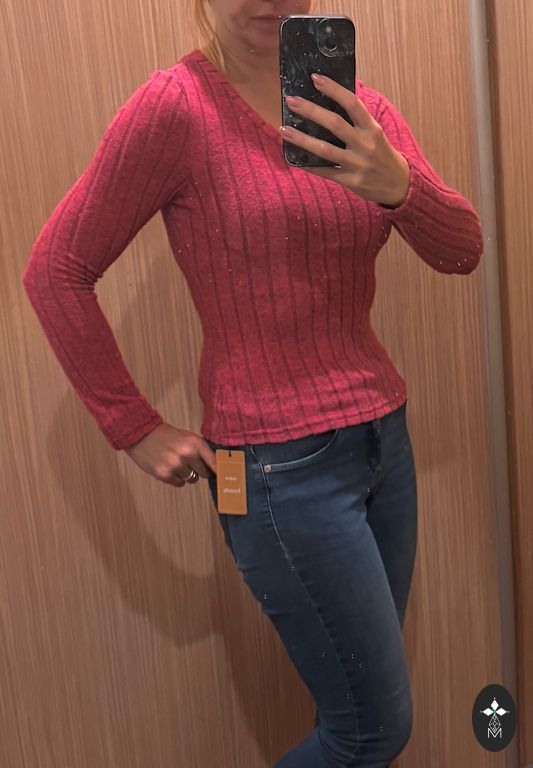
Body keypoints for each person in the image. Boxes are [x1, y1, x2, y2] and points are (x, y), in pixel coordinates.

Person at [22, 1, 484, 765]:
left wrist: (397, 185)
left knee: (362, 710)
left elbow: (461, 250)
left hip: (383, 446)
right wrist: (133, 427)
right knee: (370, 732)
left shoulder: (357, 109)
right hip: (277, 473)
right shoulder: (176, 107)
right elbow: (57, 270)